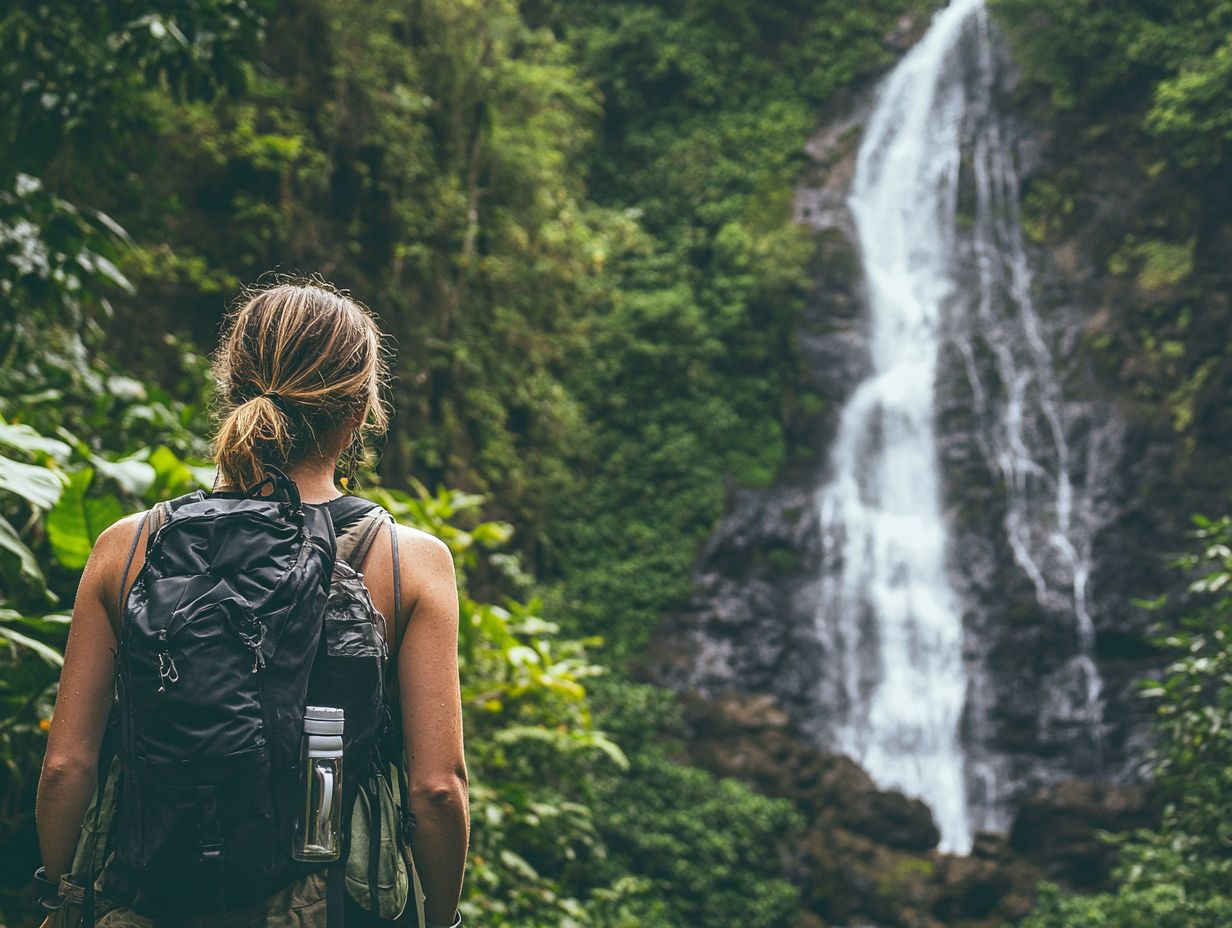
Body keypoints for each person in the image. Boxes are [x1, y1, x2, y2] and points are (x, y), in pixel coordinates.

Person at [34, 281, 470, 927]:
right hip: (335, 907)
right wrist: (444, 920)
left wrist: (62, 899)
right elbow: (438, 790)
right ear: (360, 413)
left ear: (234, 390)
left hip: (152, 896)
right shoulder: (406, 561)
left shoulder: (126, 549)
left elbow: (68, 765)